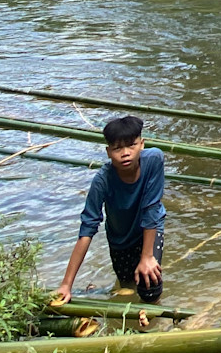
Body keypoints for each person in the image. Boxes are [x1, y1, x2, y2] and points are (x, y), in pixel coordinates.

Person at [52, 115, 166, 306]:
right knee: (127, 286)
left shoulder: (154, 160)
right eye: (117, 148)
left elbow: (151, 209)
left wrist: (146, 257)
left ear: (142, 144)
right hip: (120, 241)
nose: (126, 153)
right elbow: (88, 228)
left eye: (131, 145)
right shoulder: (102, 181)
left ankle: (150, 323)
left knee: (149, 286)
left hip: (149, 230)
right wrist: (66, 285)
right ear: (108, 152)